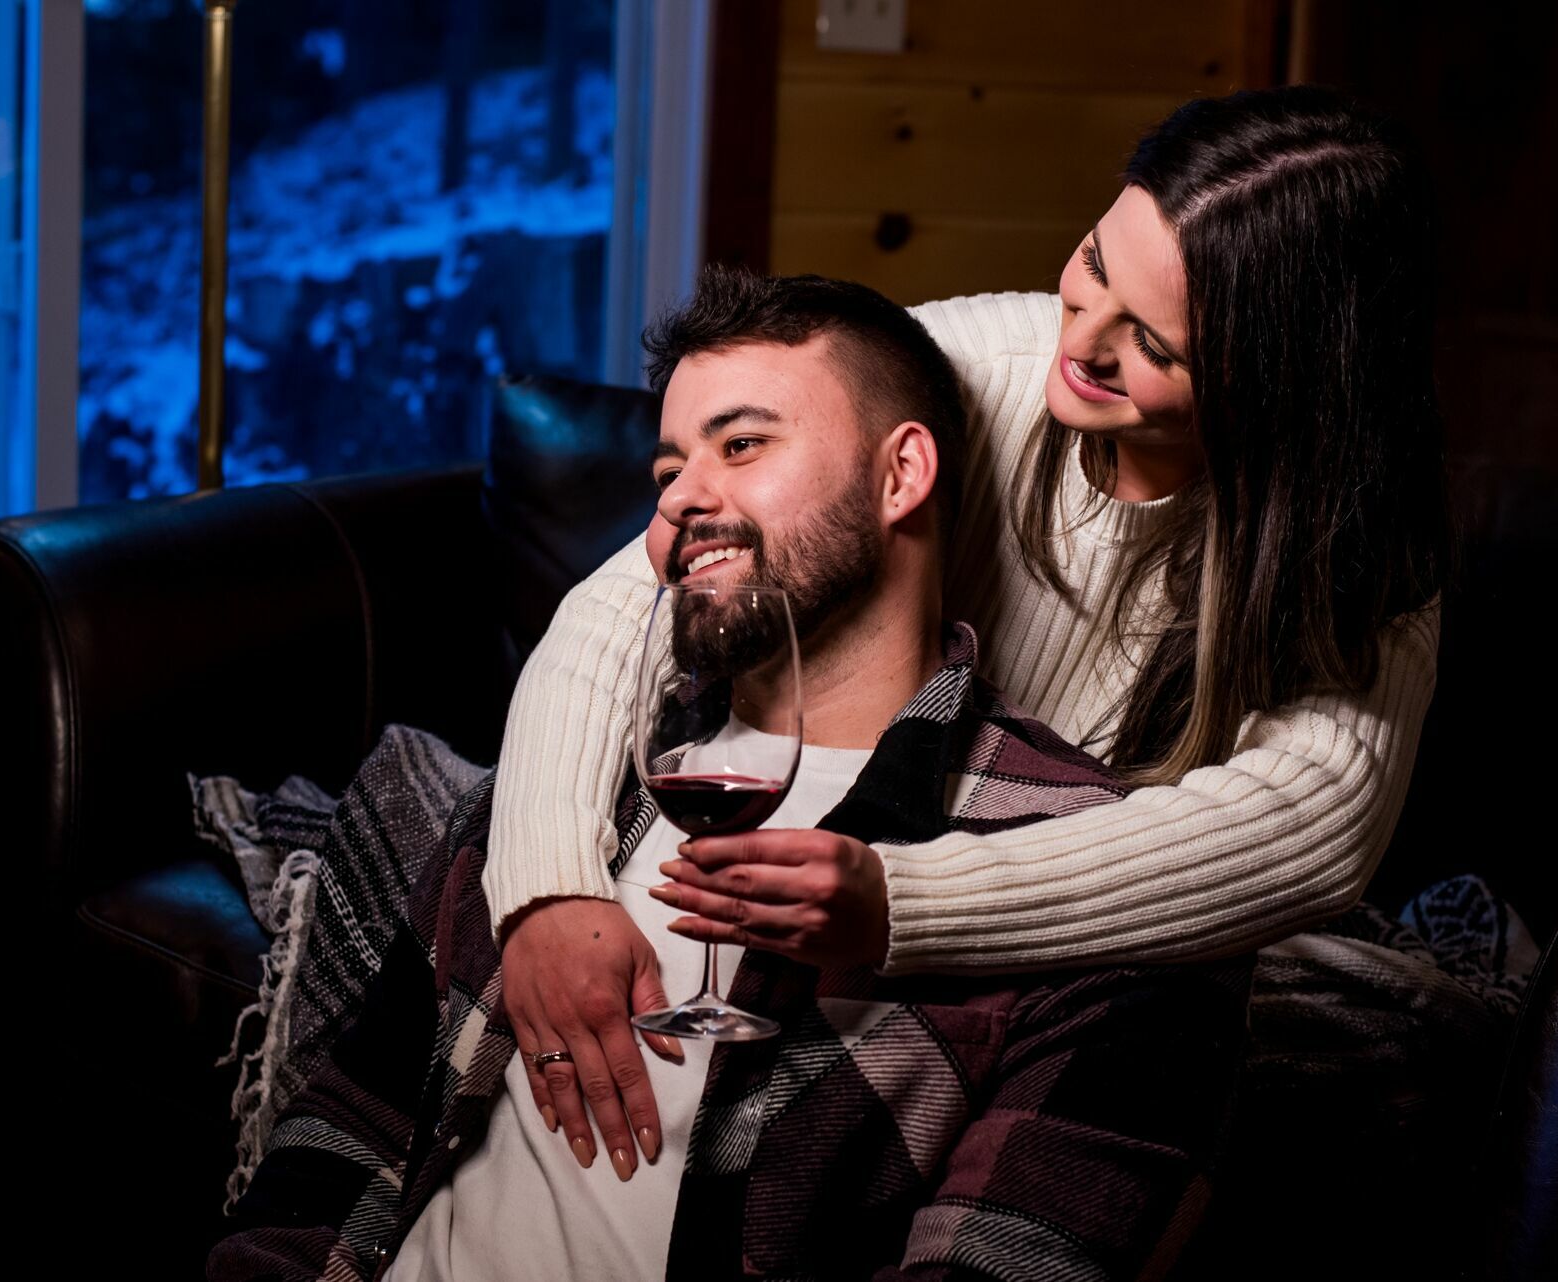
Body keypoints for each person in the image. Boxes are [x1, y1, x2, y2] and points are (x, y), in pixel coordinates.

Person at [206, 269, 1252, 1282]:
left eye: (742, 445)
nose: (680, 507)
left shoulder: (1080, 875)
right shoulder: (560, 799)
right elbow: (344, 1138)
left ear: (901, 475)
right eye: (667, 474)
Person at [487, 85, 1448, 1175]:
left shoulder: (1360, 541)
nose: (1078, 339)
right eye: (1093, 263)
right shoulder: (982, 361)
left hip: (1068, 930)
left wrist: (908, 901)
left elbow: (1310, 829)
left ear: (1285, 381)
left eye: (1151, 342)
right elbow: (631, 600)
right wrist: (548, 889)